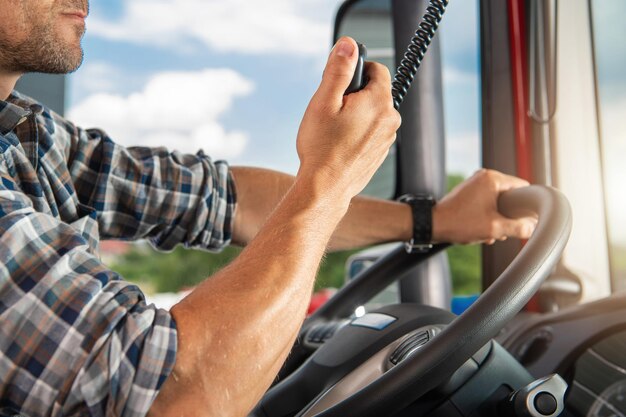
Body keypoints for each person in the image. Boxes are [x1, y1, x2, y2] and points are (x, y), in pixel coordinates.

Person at [0, 1, 537, 416]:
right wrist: (328, 180)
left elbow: (221, 198)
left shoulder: (28, 135)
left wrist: (432, 221)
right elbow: (169, 395)